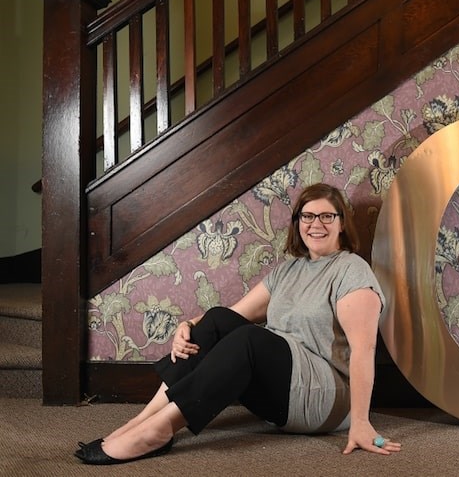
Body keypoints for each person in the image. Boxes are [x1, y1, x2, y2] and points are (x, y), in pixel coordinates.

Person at [75, 182, 401, 464]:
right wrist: (186, 325)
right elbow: (231, 314)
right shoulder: (289, 270)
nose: (316, 224)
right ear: (298, 223)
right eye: (308, 216)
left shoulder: (351, 270)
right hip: (283, 388)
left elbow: (363, 349)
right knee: (218, 318)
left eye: (327, 216)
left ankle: (158, 432)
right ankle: (143, 419)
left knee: (249, 339)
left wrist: (360, 421)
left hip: (328, 396)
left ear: (342, 224)